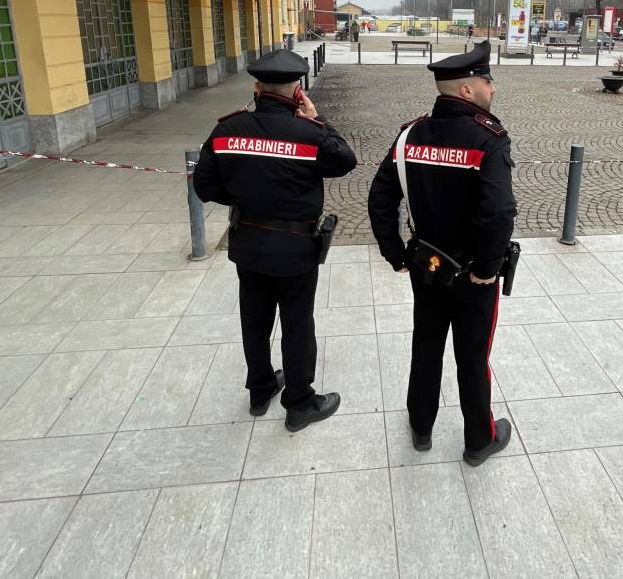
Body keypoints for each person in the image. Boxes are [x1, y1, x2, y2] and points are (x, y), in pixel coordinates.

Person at [367, 40, 517, 466]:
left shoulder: (410, 134)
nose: (493, 88)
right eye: (487, 81)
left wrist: (396, 252)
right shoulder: (489, 138)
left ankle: (421, 427)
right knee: (472, 356)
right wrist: (488, 269)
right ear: (467, 90)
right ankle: (478, 441)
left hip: (426, 265)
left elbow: (380, 197)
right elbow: (499, 211)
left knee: (427, 344)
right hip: (473, 275)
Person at [193, 49, 357, 431]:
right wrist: (319, 120)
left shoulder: (227, 130)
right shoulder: (310, 133)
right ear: (297, 90)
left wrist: (245, 198)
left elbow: (204, 185)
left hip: (247, 242)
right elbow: (344, 160)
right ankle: (299, 403)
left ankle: (260, 389)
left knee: (255, 319)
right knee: (297, 323)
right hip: (296, 249)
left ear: (256, 86)